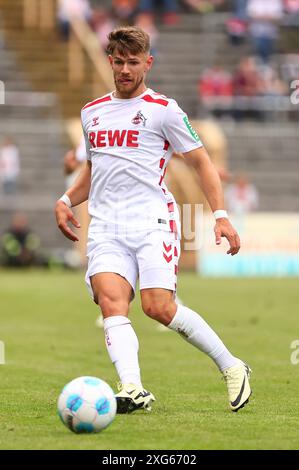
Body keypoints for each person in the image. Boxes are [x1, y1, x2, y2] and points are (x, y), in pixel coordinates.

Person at [55, 26, 252, 414]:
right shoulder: (91, 112)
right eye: (119, 62)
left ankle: (232, 366)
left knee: (158, 307)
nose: (125, 69)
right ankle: (132, 387)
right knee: (112, 303)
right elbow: (94, 171)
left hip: (151, 221)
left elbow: (201, 163)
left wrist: (222, 216)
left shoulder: (164, 110)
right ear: (110, 61)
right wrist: (65, 199)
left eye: (133, 62)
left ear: (148, 63)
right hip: (106, 227)